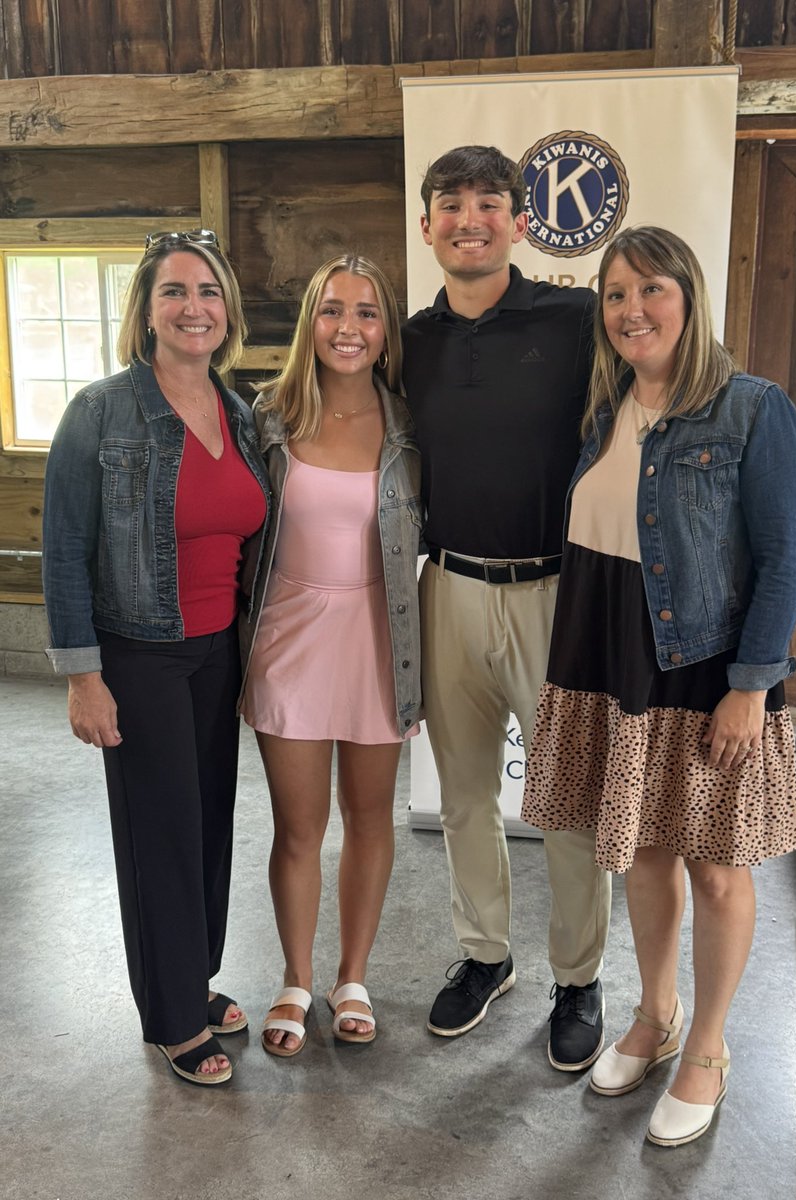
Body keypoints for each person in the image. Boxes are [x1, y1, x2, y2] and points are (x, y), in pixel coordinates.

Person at [522, 225, 796, 1145]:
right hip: (610, 662)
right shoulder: (606, 408)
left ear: (688, 297)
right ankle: (654, 1014)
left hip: (703, 671)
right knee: (643, 851)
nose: (631, 310)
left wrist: (752, 685)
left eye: (650, 290)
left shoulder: (753, 409)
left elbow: (784, 558)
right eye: (614, 294)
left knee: (718, 868)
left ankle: (710, 1049)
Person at [42, 229, 270, 1085]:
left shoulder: (239, 412)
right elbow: (63, 547)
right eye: (173, 292)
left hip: (218, 652)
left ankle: (194, 979)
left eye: (208, 292)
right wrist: (82, 676)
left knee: (209, 825)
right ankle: (171, 1017)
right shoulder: (101, 411)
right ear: (145, 312)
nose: (193, 308)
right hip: (138, 654)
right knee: (159, 835)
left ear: (228, 312)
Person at [402, 145, 612, 1070]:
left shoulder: (575, 320)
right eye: (451, 204)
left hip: (555, 593)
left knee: (568, 802)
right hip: (445, 586)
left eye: (490, 201)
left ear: (521, 222)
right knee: (464, 796)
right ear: (428, 227)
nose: (470, 218)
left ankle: (580, 976)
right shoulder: (411, 339)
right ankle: (487, 957)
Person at [240, 254, 421, 1057]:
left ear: (386, 333)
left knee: (370, 816)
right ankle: (295, 977)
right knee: (297, 827)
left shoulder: (414, 425)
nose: (349, 328)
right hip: (288, 636)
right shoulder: (266, 417)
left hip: (384, 637)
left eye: (367, 312)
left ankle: (352, 975)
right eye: (332, 311)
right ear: (310, 324)